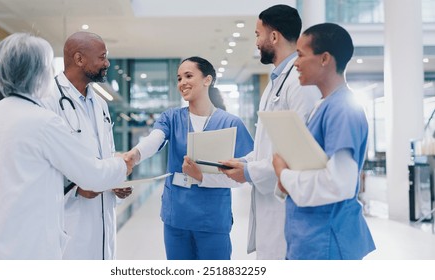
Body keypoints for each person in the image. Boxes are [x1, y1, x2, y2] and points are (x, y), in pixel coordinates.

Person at [0, 33, 134, 259]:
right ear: (36, 71)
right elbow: (91, 175)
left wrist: (110, 175)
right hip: (35, 241)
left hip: (3, 238)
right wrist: (123, 165)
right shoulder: (41, 117)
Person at [124, 56, 254, 260]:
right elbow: (155, 139)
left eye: (188, 76)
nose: (182, 82)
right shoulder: (172, 117)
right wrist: (135, 154)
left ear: (207, 80)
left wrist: (202, 177)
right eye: (178, 78)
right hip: (176, 218)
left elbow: (243, 175)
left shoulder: (231, 123)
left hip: (212, 220)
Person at [219, 5, 321, 259]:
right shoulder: (276, 81)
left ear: (273, 37)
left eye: (257, 34)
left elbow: (299, 153)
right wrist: (245, 162)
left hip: (288, 208)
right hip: (271, 205)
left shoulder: (300, 82)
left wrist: (249, 172)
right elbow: (269, 145)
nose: (256, 42)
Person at [272, 23, 376, 259]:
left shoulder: (343, 109)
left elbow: (339, 184)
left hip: (327, 241)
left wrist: (284, 174)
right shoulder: (324, 105)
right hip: (312, 238)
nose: (295, 63)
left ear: (325, 59)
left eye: (300, 55)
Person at [41, 31, 132, 260]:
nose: (107, 63)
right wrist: (76, 188)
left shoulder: (99, 102)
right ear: (79, 59)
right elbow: (42, 162)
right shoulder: (48, 99)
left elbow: (106, 153)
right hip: (69, 217)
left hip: (103, 218)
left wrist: (115, 179)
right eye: (102, 57)